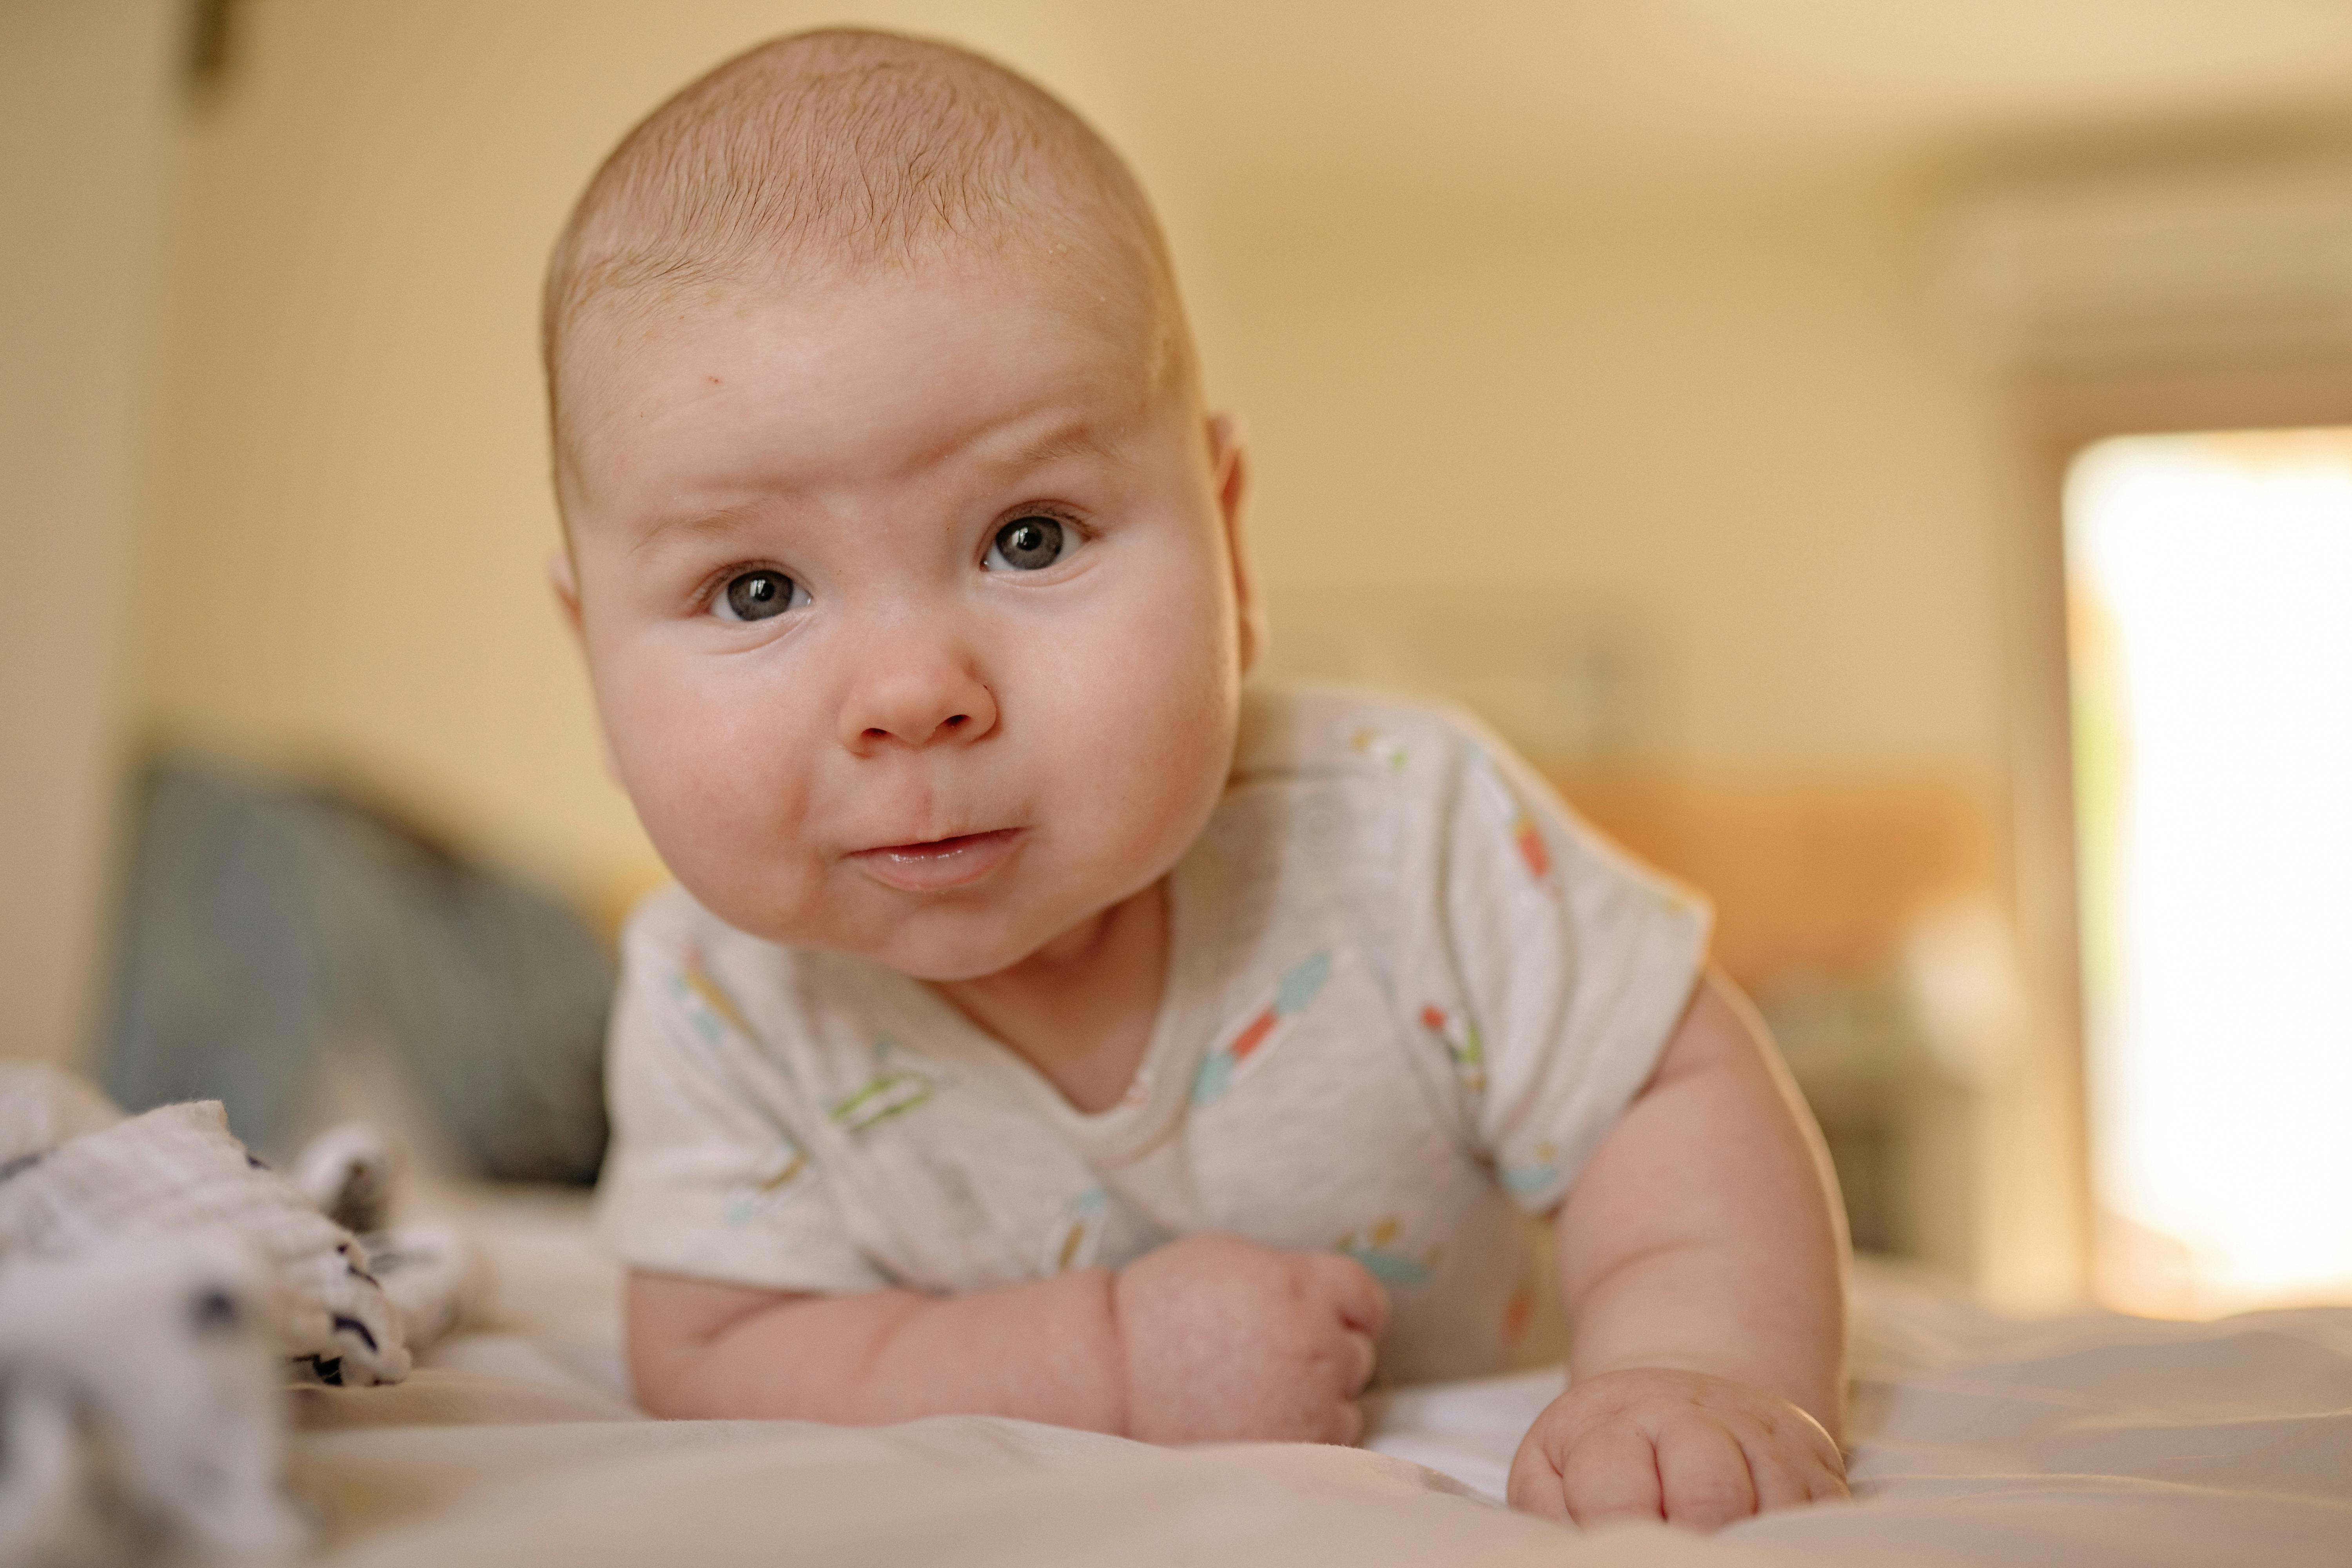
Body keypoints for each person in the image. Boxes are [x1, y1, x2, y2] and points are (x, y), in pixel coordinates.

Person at [544, 27, 1849, 1530]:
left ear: (1228, 555)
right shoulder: (717, 992)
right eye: (759, 589)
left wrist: (1698, 1364)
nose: (912, 698)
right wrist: (1102, 1364)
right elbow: (716, 1349)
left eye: (1028, 535)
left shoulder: (1404, 831)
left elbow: (1667, 1088)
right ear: (594, 660)